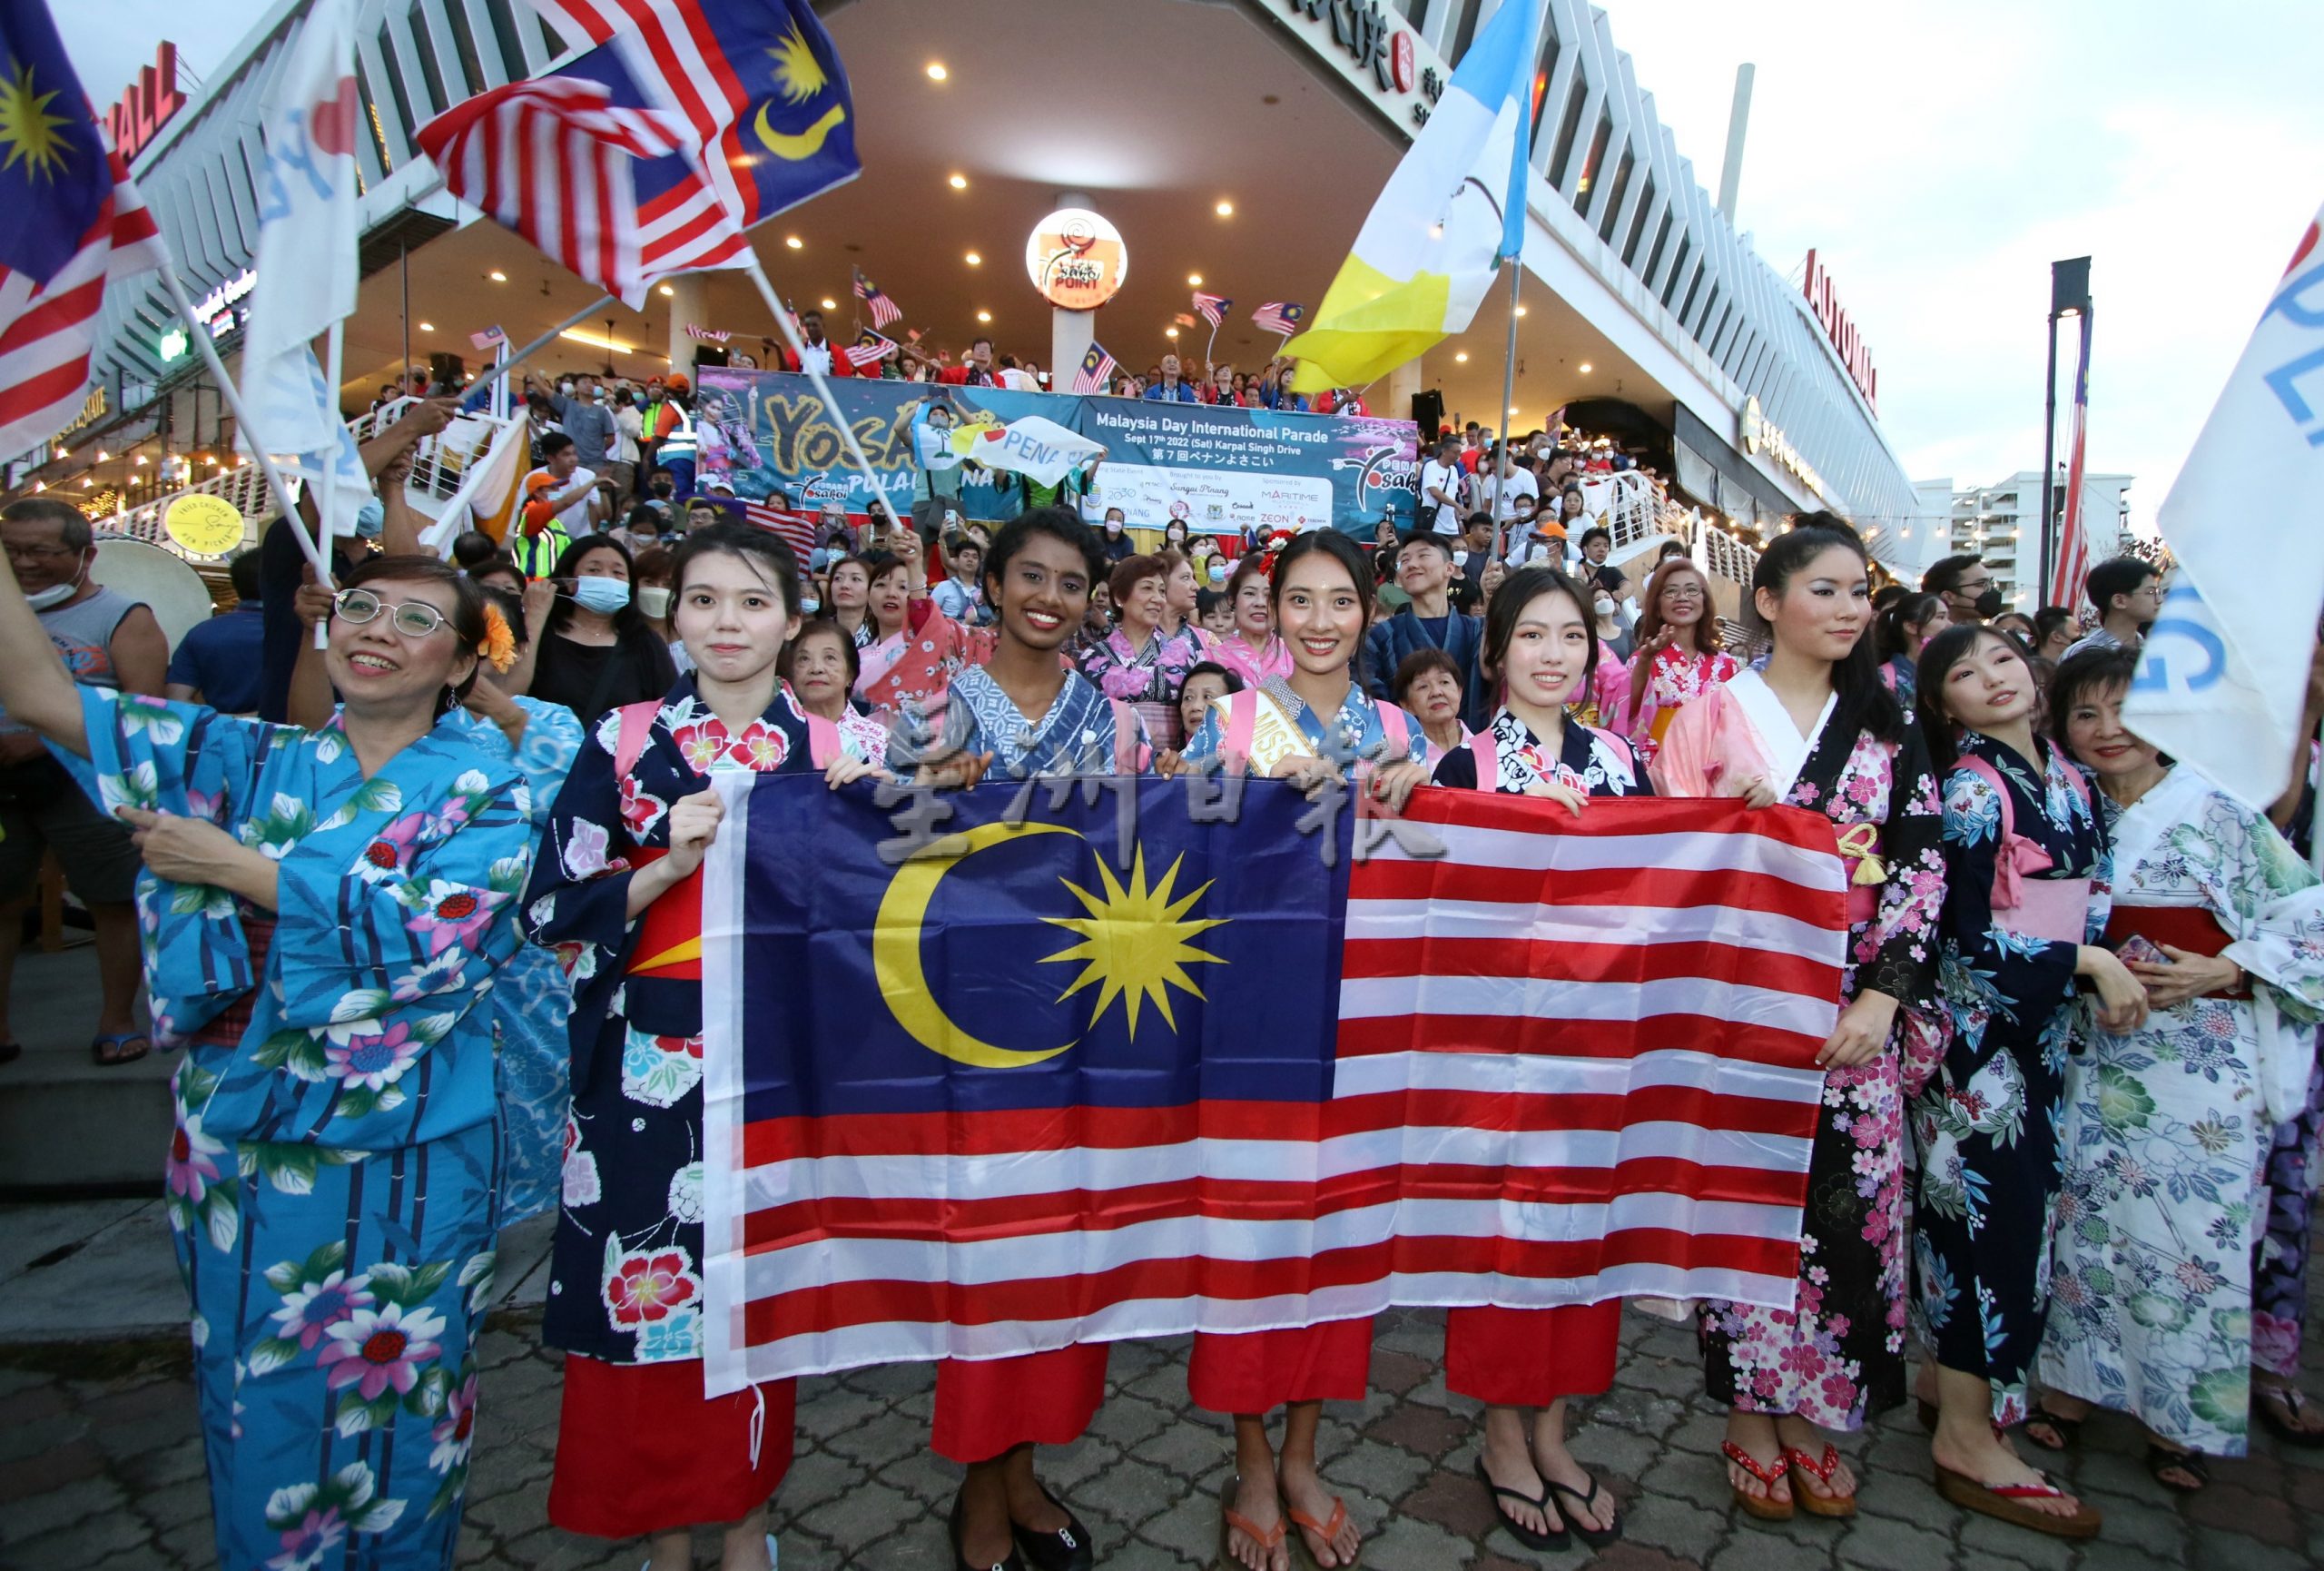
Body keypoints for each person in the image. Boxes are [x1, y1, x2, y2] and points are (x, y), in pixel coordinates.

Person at [2, 548, 535, 1569]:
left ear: (465, 664)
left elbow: (436, 935)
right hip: (245, 1124)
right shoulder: (239, 756)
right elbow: (34, 689)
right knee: (256, 1383)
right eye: (362, 606)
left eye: (415, 618)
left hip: (413, 1135)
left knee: (409, 1389)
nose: (377, 629)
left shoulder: (491, 793)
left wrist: (241, 869)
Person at [526, 524, 876, 1571]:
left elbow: (877, 938)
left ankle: (743, 1525)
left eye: (753, 602)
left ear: (792, 618)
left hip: (773, 1063)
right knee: (646, 1299)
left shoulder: (835, 752)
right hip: (644, 1060)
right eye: (705, 599)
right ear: (671, 612)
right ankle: (664, 1537)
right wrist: (662, 866)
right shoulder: (622, 739)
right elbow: (550, 906)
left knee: (752, 1296)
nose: (728, 622)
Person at [1654, 521, 1948, 1522]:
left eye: (1858, 592)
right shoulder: (1707, 714)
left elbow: (1919, 860)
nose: (1848, 607)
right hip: (1739, 1001)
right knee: (1743, 1208)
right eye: (1823, 588)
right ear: (1769, 599)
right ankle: (1747, 1413)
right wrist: (1726, 823)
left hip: (1853, 998)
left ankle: (1819, 1408)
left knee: (1849, 1220)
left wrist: (1884, 992)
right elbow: (1668, 866)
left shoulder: (1886, 719)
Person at [885, 508, 1145, 1569]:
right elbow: (871, 857)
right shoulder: (926, 707)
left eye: (1072, 581)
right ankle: (978, 1483)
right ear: (988, 585)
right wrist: (921, 796)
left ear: (1091, 600)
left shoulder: (1114, 722)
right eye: (1028, 575)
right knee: (980, 1259)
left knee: (1055, 1257)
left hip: (1072, 1019)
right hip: (953, 1027)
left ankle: (1024, 1464)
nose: (1049, 595)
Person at [1182, 528, 1430, 1571]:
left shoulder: (1399, 726)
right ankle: (1248, 1459)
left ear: (1367, 614)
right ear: (1269, 612)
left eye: (1341, 602)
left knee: (1337, 1246)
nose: (1321, 621)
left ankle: (1303, 1453)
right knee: (1246, 1245)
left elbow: (1439, 867)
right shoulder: (1227, 720)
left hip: (1364, 1030)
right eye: (1300, 601)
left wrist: (1421, 803)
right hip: (1250, 1023)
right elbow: (1183, 858)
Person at [2025, 647, 2324, 1487]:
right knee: (2080, 1226)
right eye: (2085, 714)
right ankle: (2071, 1391)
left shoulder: (2224, 812)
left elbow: (2308, 916)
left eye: (2127, 711)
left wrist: (2226, 968)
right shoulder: (2068, 811)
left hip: (2197, 1058)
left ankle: (2180, 1417)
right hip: (2089, 1044)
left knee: (2193, 1236)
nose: (2108, 730)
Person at [1909, 622, 2147, 1540]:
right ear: (1943, 705)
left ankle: (1952, 1394)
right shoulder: (1970, 789)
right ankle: (1967, 1437)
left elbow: (2089, 891)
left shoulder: (2071, 778)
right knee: (1986, 1231)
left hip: (2041, 1035)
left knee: (2015, 1225)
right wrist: (2082, 954)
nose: (1991, 678)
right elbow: (1959, 938)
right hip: (1979, 1051)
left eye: (2002, 658)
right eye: (1964, 674)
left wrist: (2100, 955)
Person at [1430, 566, 1648, 1553]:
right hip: (1500, 1053)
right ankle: (1501, 1433)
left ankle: (1556, 1430)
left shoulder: (1625, 763)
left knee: (1585, 1245)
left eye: (1571, 636)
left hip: (1602, 1048)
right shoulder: (1461, 769)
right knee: (1503, 1243)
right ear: (1495, 653)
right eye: (1531, 636)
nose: (1553, 654)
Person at [0, 498, 167, 1066]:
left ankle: (117, 1020)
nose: (23, 564)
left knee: (113, 900)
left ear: (85, 555)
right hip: (4, 786)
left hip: (86, 782)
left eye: (40, 552)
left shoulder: (123, 617)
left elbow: (143, 708)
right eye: (12, 551)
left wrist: (44, 738)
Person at [526, 535, 677, 729]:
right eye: (594, 570)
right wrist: (534, 618)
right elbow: (510, 692)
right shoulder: (542, 633)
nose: (607, 578)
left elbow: (671, 713)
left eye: (618, 572)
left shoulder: (645, 643)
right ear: (570, 580)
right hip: (544, 755)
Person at [1078, 553, 1212, 750]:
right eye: (1147, 588)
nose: (1158, 599)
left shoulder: (1186, 651)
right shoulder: (1094, 658)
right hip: (1111, 764)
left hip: (1173, 765)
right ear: (1120, 597)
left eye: (1162, 591)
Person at [853, 533, 991, 723]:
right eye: (881, 585)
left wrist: (915, 564)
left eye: (903, 587)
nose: (891, 593)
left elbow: (929, 624)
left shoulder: (932, 643)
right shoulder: (858, 655)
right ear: (868, 596)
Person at [1364, 530, 1485, 731]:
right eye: (1404, 560)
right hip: (1408, 752)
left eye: (1423, 555)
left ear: (1449, 568)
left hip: (1472, 749)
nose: (1411, 564)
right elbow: (1371, 696)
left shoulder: (1476, 630)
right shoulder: (1382, 635)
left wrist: (1492, 599)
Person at [1622, 557, 1738, 762]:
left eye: (1692, 590)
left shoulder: (1727, 664)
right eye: (1671, 591)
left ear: (1705, 600)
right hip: (1660, 770)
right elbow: (1626, 713)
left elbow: (1738, 727)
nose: (1682, 597)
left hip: (1714, 769)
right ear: (1657, 605)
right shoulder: (1641, 660)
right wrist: (1645, 661)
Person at [163, 549, 268, 714]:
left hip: (217, 733)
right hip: (283, 734)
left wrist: (221, 722)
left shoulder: (200, 633)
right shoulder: (299, 636)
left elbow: (177, 699)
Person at [783, 618, 891, 764]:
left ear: (850, 674)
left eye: (830, 657)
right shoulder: (776, 735)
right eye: (804, 659)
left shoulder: (879, 739)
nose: (816, 668)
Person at [515, 432, 603, 579]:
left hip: (578, 541)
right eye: (566, 455)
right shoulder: (533, 480)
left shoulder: (587, 476)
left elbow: (599, 510)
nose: (573, 459)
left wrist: (592, 533)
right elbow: (523, 514)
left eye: (574, 453)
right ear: (550, 458)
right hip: (544, 545)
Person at [2061, 556, 2162, 661]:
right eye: (2150, 592)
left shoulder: (2156, 651)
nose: (2159, 600)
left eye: (2158, 592)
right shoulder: (2082, 653)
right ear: (2119, 601)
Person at [1393, 647, 1470, 766]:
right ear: (1407, 705)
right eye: (1423, 686)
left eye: (1444, 682)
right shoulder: (1404, 761)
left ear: (1459, 692)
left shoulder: (1487, 748)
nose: (1436, 692)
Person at [1874, 591, 1950, 702]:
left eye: (1948, 617)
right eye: (1941, 617)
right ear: (1911, 627)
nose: (1950, 624)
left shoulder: (1948, 670)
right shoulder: (1885, 677)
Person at [1923, 554, 2002, 627]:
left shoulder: (1976, 635)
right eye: (1981, 584)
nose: (1990, 590)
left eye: (1991, 583)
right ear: (1948, 597)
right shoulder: (1926, 639)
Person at [1177, 660, 1241, 750]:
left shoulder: (1248, 761)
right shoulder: (1169, 761)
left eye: (1207, 697)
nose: (1195, 707)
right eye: (1188, 698)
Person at [930, 530, 988, 626]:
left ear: (979, 563)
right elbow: (929, 618)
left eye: (975, 557)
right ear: (956, 560)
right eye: (965, 556)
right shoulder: (944, 587)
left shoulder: (985, 590)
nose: (970, 560)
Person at [1419, 435, 1465, 536]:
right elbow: (1434, 492)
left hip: (1452, 528)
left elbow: (1454, 497)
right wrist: (1457, 505)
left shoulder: (1454, 470)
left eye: (1459, 453)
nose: (1457, 456)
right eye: (1455, 452)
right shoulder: (1431, 466)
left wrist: (1459, 521)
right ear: (1444, 451)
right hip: (1434, 526)